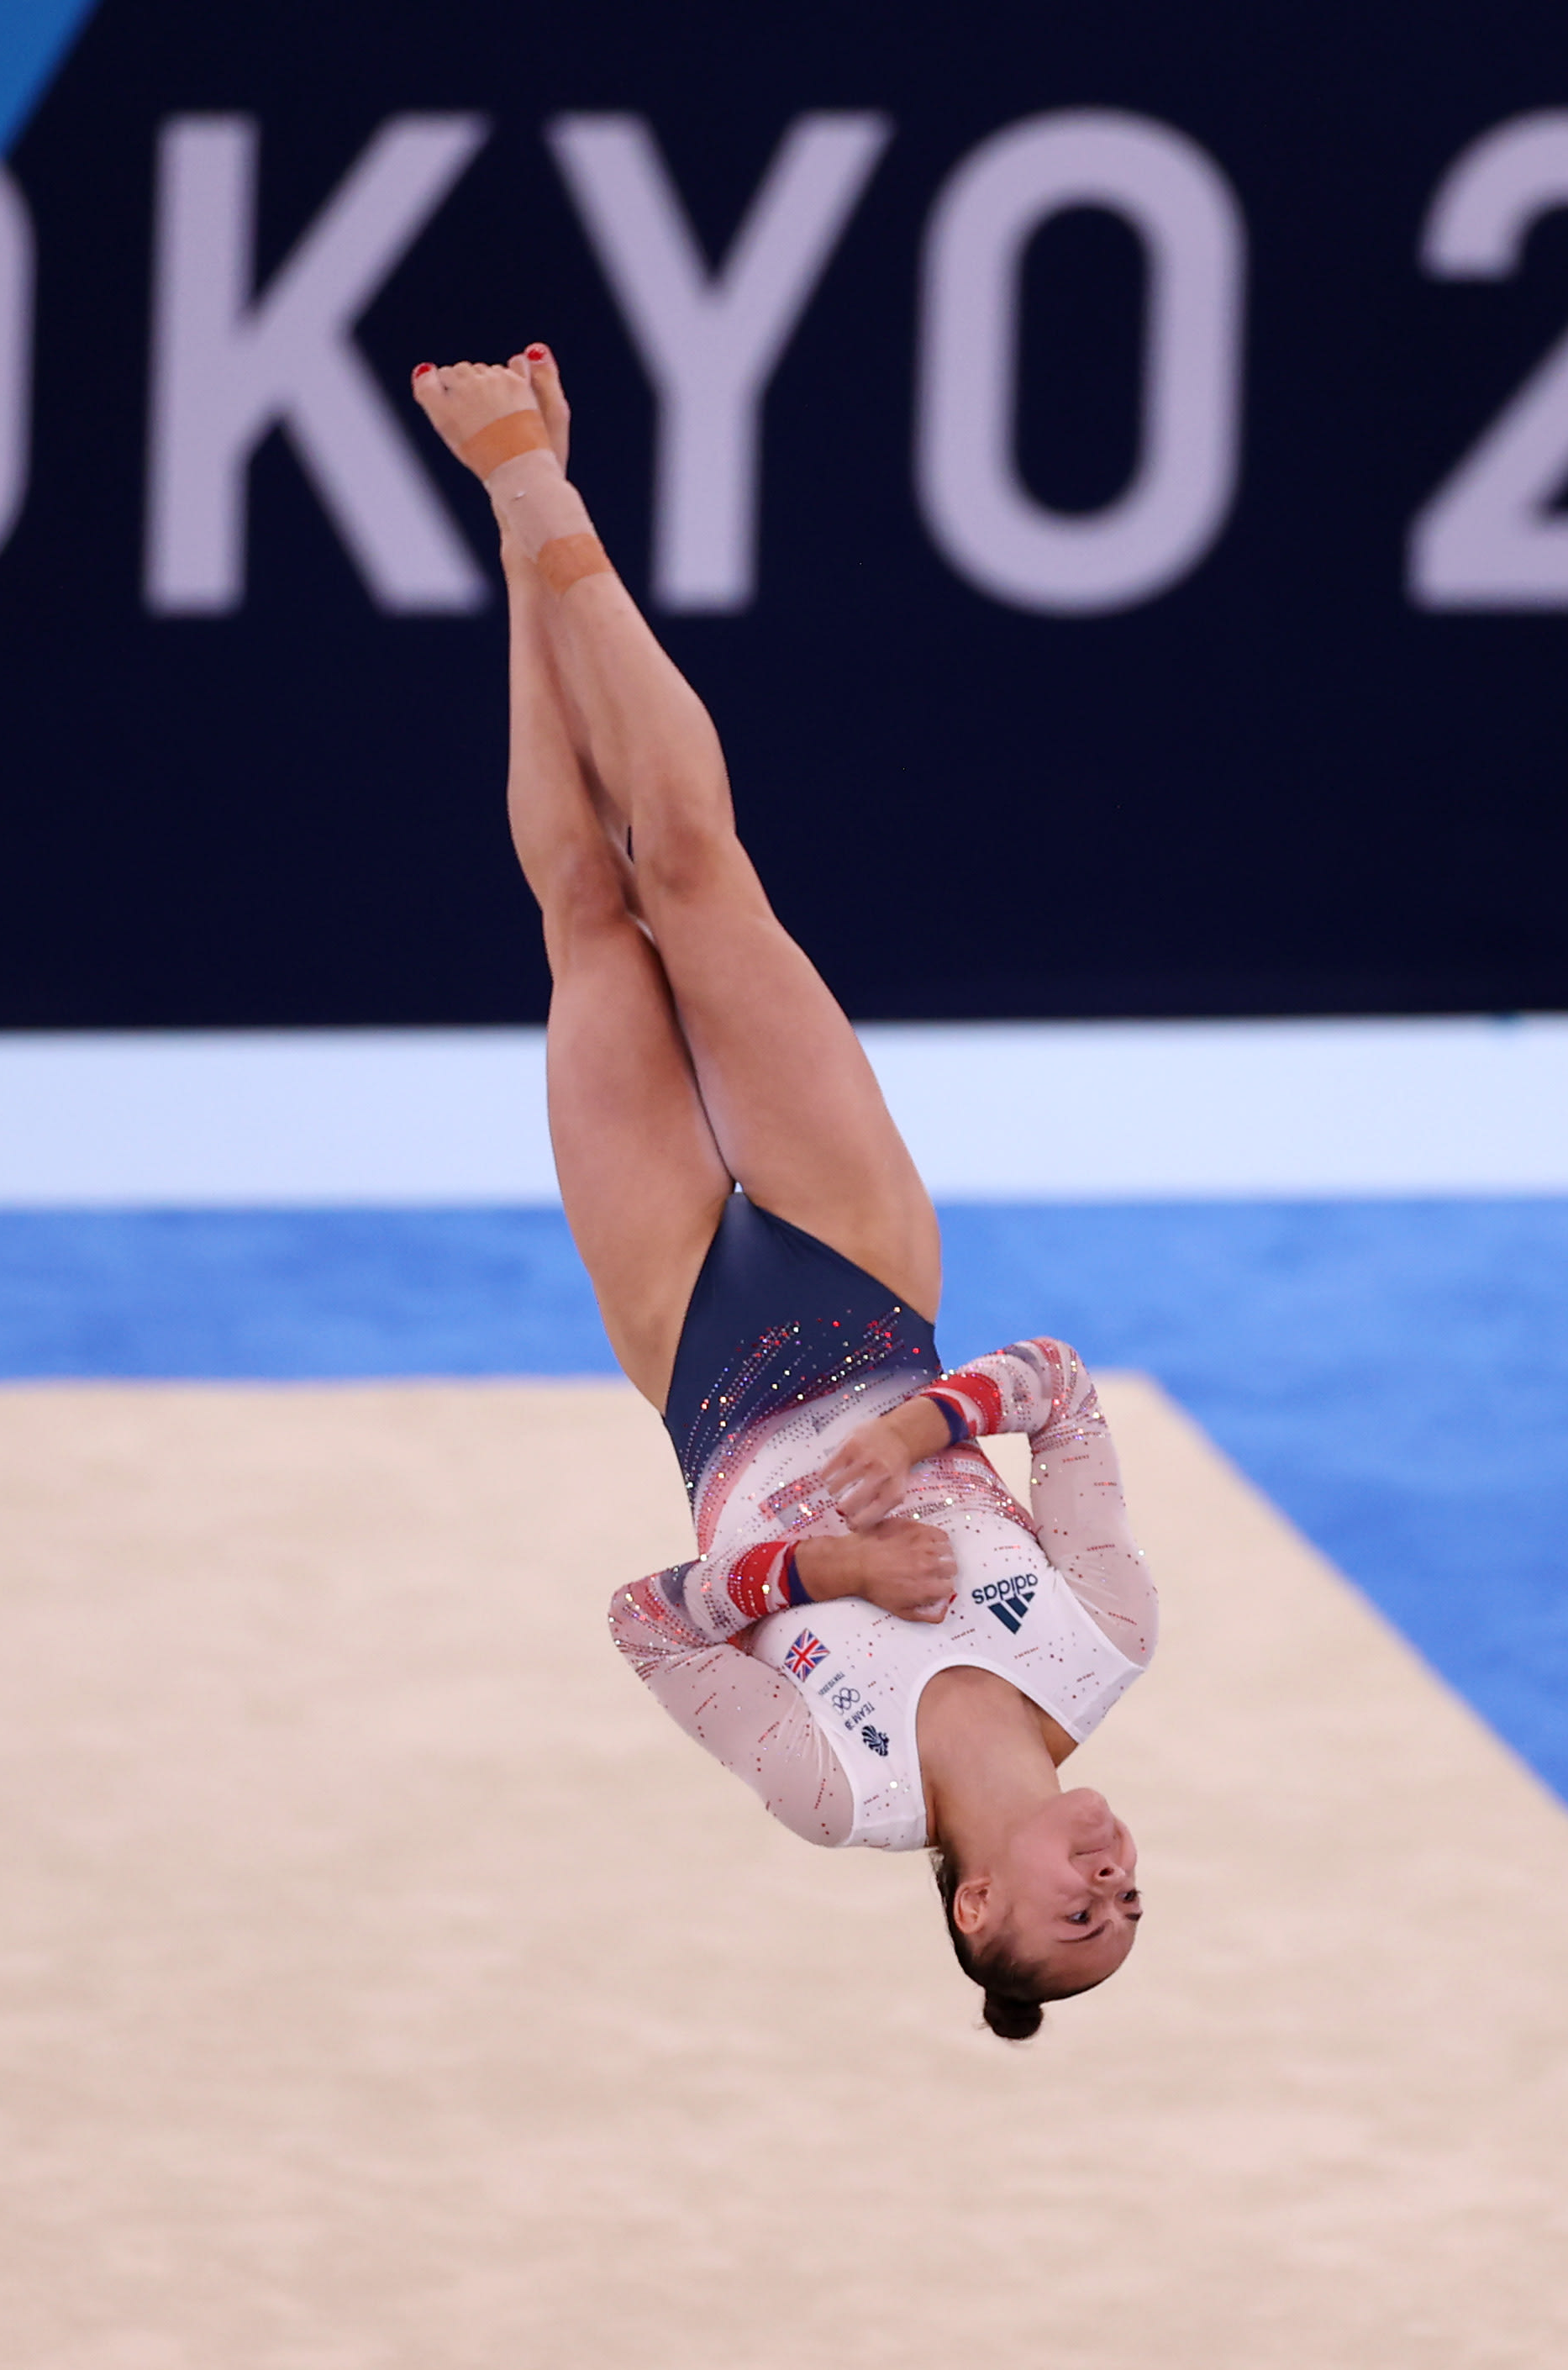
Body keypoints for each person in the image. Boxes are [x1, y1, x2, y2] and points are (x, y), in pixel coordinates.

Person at [410, 346, 1157, 2041]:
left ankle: (521, 494)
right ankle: (536, 483)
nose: (1111, 1881)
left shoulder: (841, 1787)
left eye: (1076, 1920)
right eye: (1131, 1900)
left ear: (974, 1905)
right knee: (687, 868)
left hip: (693, 1363)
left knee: (588, 921)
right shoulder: (1102, 1637)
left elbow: (647, 1621)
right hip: (862, 1281)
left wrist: (820, 1583)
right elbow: (1058, 1384)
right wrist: (911, 1441)